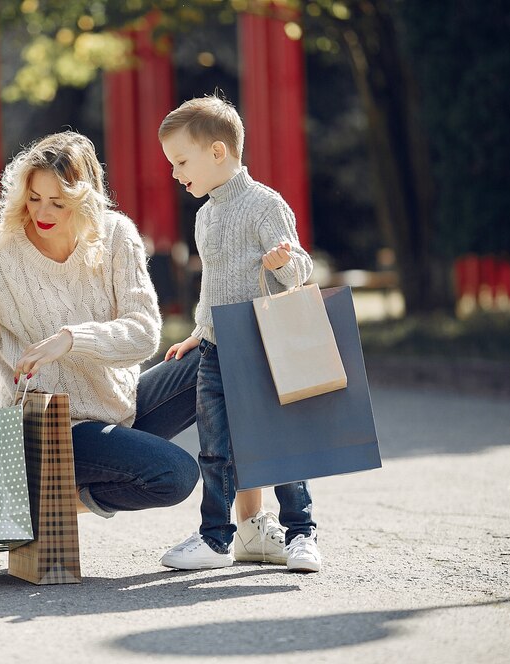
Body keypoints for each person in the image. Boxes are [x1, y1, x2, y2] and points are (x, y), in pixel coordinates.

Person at [0, 131, 201, 524]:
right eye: (35, 198)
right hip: (51, 426)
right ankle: (45, 497)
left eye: (58, 202)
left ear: (85, 200)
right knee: (176, 475)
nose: (43, 212)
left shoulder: (117, 235)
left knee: (211, 362)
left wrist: (72, 339)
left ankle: (243, 521)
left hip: (118, 404)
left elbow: (144, 332)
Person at [158, 94, 321, 573]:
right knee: (215, 448)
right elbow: (212, 285)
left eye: (180, 161)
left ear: (217, 153)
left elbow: (302, 270)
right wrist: (198, 332)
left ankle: (301, 534)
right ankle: (215, 539)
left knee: (279, 440)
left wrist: (284, 263)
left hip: (264, 345)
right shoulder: (205, 214)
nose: (174, 173)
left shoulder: (264, 204)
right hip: (215, 349)